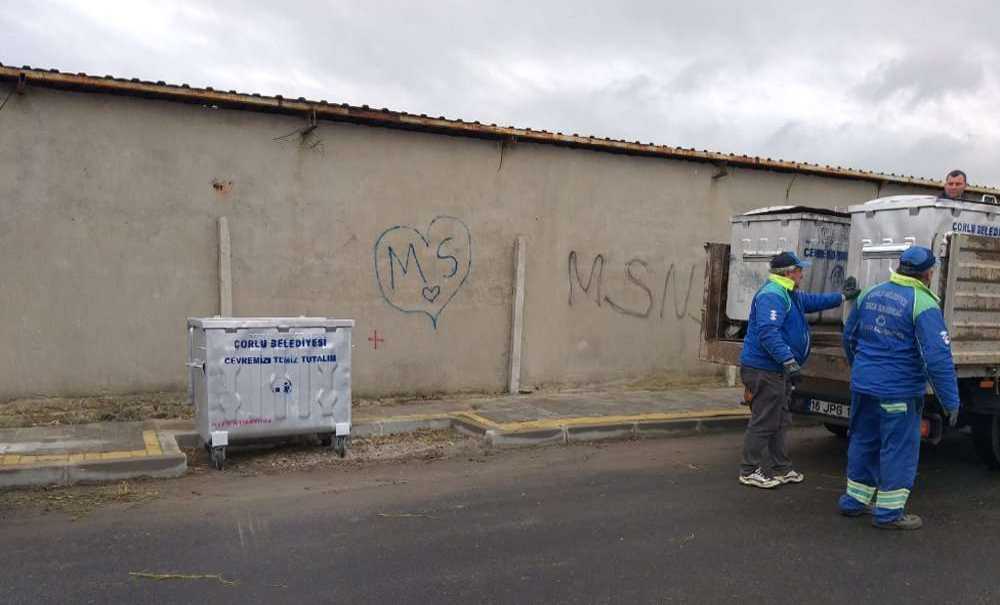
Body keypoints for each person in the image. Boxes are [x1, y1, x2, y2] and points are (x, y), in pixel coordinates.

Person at [838, 246, 960, 530]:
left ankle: (854, 501)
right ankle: (889, 513)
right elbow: (937, 359)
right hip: (898, 391)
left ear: (900, 266)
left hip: (864, 386)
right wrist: (950, 402)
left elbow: (849, 336)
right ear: (928, 273)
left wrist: (862, 368)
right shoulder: (923, 303)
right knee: (898, 448)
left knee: (863, 439)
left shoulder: (870, 293)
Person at [738, 251, 859, 488]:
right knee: (764, 420)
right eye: (800, 270)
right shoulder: (773, 295)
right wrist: (789, 361)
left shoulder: (789, 293)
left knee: (781, 419)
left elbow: (813, 302)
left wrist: (843, 296)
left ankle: (781, 468)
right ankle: (749, 469)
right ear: (789, 273)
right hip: (764, 369)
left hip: (775, 369)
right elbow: (768, 333)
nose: (803, 274)